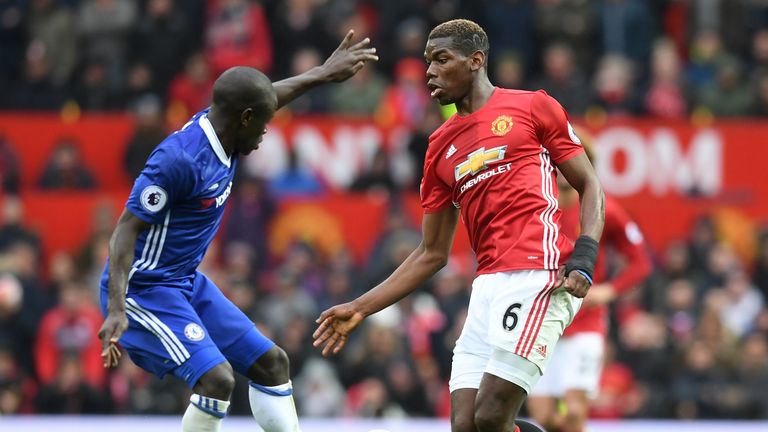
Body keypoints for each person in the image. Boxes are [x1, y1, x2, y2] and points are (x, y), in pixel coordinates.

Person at [313, 19, 604, 432]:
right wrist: (361, 307)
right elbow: (431, 252)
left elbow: (590, 183)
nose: (430, 71)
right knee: (466, 426)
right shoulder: (438, 148)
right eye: (427, 62)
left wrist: (585, 256)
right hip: (486, 289)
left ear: (476, 61)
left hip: (539, 273)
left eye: (441, 60)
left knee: (490, 417)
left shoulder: (532, 107)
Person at [97, 30, 378, 432]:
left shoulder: (228, 123)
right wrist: (117, 307)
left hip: (185, 282)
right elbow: (125, 230)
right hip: (143, 289)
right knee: (218, 380)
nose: (265, 134)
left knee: (272, 363)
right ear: (245, 119)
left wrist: (322, 74)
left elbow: (267, 95)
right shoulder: (179, 161)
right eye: (263, 125)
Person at [527, 131, 652, 432]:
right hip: (541, 320)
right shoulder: (537, 205)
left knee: (574, 412)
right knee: (543, 417)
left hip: (586, 322)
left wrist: (609, 291)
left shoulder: (602, 207)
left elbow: (640, 262)